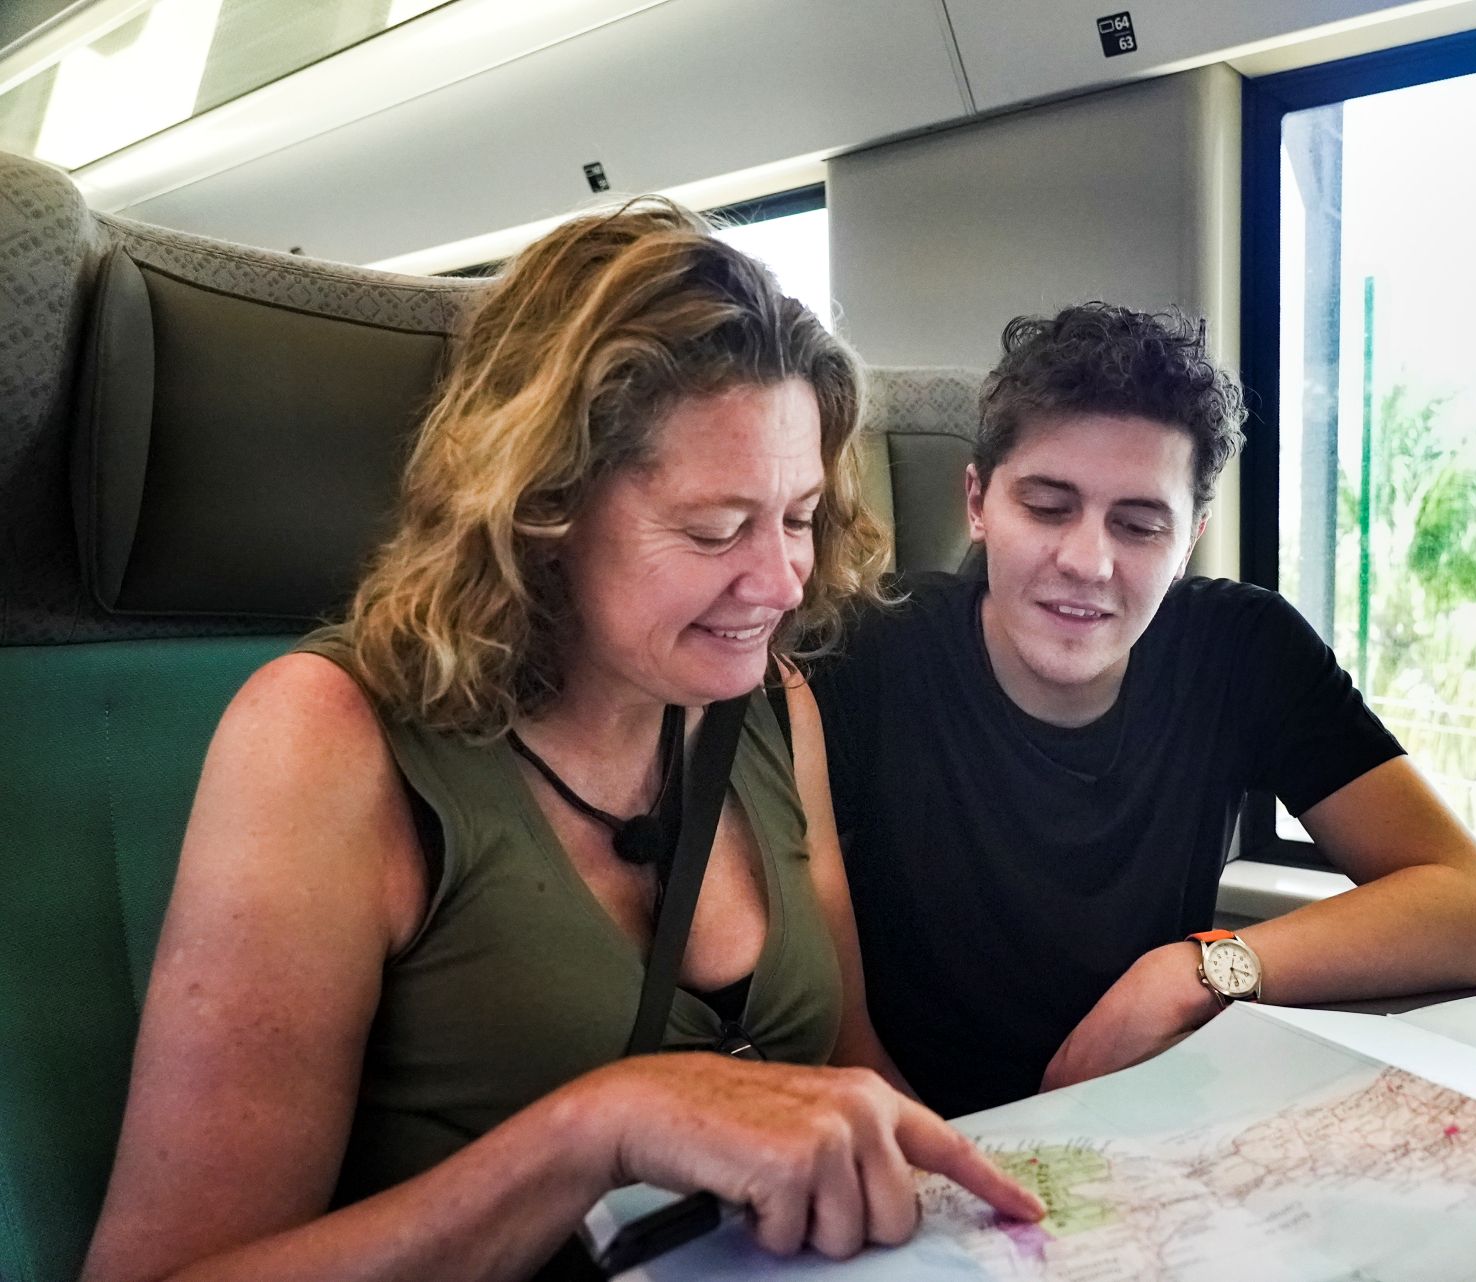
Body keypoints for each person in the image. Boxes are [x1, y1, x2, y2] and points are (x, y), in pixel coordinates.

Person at [82, 202, 1041, 1282]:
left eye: (799, 515)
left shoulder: (773, 708)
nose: (780, 583)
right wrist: (596, 1130)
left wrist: (1014, 1227)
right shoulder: (322, 741)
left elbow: (848, 1061)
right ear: (538, 509)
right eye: (716, 528)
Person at [812, 303, 1476, 1119]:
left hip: (1147, 1124)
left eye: (1139, 524)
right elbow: (838, 1032)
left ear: (1189, 537)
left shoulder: (1242, 649)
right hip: (917, 1134)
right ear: (978, 502)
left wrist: (1194, 971)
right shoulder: (862, 654)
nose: (1088, 562)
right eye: (1047, 507)